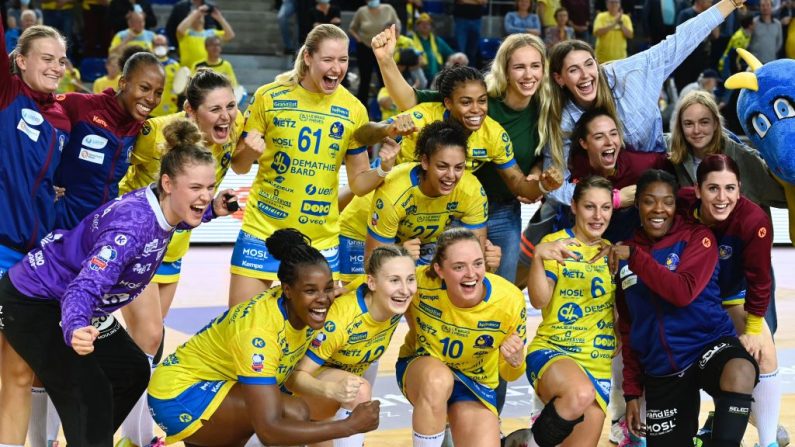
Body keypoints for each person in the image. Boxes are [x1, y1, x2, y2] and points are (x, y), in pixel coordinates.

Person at [0, 118, 237, 447]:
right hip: (34, 300)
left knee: (131, 371)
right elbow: (83, 287)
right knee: (90, 391)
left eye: (209, 187)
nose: (205, 194)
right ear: (167, 184)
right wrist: (75, 327)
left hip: (67, 299)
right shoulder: (129, 228)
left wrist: (210, 210)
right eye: (196, 188)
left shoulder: (163, 210)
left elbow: (173, 223)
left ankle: (90, 440)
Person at [147, 229, 381, 446]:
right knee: (292, 413)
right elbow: (270, 429)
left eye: (328, 288)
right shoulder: (260, 333)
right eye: (311, 290)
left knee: (283, 406)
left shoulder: (300, 304)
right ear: (287, 290)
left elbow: (370, 283)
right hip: (179, 394)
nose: (323, 299)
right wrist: (348, 426)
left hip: (220, 384)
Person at [370, 27, 562, 283]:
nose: (529, 74)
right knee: (447, 286)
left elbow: (525, 175)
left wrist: (540, 179)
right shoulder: (477, 97)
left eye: (535, 65)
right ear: (504, 69)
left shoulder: (546, 108)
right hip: (452, 208)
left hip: (504, 209)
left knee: (500, 286)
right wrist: (385, 60)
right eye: (519, 67)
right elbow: (409, 100)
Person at [115, 70, 242, 446]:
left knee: (146, 346)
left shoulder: (227, 140)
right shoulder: (154, 132)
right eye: (215, 109)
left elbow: (189, 207)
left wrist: (214, 210)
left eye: (231, 106)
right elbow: (113, 166)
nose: (226, 116)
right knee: (150, 337)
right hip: (134, 248)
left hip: (171, 252)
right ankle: (133, 438)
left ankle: (128, 436)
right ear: (190, 111)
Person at [228, 24, 398, 306]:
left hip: (319, 239)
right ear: (308, 57)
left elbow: (358, 183)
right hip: (262, 231)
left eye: (343, 60)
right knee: (240, 327)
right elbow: (239, 167)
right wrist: (248, 151)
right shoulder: (269, 97)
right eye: (328, 60)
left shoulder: (354, 109)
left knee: (308, 342)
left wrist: (383, 168)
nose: (337, 68)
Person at [606, 169, 759, 446]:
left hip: (707, 343)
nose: (659, 209)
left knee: (741, 370)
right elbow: (628, 328)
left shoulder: (697, 238)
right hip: (662, 366)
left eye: (667, 201)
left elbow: (682, 292)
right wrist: (631, 393)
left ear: (676, 205)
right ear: (638, 203)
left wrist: (637, 257)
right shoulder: (623, 255)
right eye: (649, 201)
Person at [678, 154, 786, 447]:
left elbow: (760, 281)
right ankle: (640, 431)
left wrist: (752, 329)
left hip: (730, 297)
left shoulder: (754, 221)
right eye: (713, 188)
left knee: (765, 351)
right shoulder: (680, 204)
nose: (722, 197)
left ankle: (768, 441)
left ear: (740, 189)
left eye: (730, 189)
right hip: (689, 295)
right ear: (698, 190)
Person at [395, 228, 526, 447]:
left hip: (473, 383)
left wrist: (516, 360)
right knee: (438, 381)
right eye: (458, 267)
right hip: (423, 372)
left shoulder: (510, 300)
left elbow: (511, 374)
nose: (471, 274)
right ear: (439, 270)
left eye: (477, 263)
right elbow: (376, 284)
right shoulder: (419, 282)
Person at [285, 245, 416, 447]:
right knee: (359, 389)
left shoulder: (390, 300)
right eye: (394, 280)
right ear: (372, 282)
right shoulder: (341, 322)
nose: (405, 290)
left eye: (410, 279)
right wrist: (331, 390)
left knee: (357, 389)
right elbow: (293, 379)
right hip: (293, 400)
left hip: (329, 399)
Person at [524, 176, 616, 447]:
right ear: (574, 206)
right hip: (555, 351)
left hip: (597, 362)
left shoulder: (612, 251)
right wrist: (539, 257)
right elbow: (540, 300)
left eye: (605, 208)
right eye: (590, 207)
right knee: (578, 393)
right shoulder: (556, 244)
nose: (598, 216)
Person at [339, 121, 488, 282]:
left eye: (459, 167)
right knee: (369, 291)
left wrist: (489, 263)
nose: (451, 176)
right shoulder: (395, 192)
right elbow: (373, 264)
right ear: (424, 162)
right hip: (360, 232)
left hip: (414, 241)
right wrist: (400, 254)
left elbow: (476, 260)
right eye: (442, 166)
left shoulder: (472, 191)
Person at [54, 51, 166, 230]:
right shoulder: (79, 107)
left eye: (158, 93)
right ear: (123, 83)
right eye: (144, 88)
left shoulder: (143, 129)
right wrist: (41, 185)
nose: (152, 99)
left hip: (100, 232)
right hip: (59, 228)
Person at [0, 22, 71, 280]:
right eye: (47, 59)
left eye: (61, 61)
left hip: (36, 254)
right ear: (21, 60)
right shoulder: (7, 94)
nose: (57, 68)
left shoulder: (62, 117)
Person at [667, 90, 787, 208]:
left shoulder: (745, 158)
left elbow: (784, 195)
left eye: (704, 122)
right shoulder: (672, 152)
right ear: (680, 126)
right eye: (688, 124)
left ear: (715, 123)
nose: (696, 130)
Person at [348, 0, 400, 104]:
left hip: (384, 47)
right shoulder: (361, 11)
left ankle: (388, 106)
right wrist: (358, 39)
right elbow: (352, 28)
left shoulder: (388, 8)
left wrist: (394, 39)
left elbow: (397, 26)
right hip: (365, 48)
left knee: (385, 79)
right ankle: (362, 108)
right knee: (364, 80)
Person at [176, 3, 236, 72]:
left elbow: (230, 36)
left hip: (207, 72)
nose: (199, 16)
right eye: (195, 15)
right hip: (188, 73)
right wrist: (196, 12)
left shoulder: (212, 33)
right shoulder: (185, 33)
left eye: (200, 15)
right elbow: (179, 29)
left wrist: (220, 18)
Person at [410, 13, 455, 82]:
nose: (424, 25)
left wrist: (448, 63)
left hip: (437, 73)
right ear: (417, 26)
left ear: (431, 26)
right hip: (418, 71)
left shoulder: (437, 40)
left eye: (427, 24)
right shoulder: (410, 39)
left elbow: (451, 54)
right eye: (422, 23)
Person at [150, 34, 182, 117]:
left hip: (171, 113)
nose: (160, 47)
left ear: (167, 47)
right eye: (157, 45)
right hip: (150, 113)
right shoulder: (146, 64)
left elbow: (181, 87)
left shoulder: (175, 65)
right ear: (152, 46)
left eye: (163, 44)